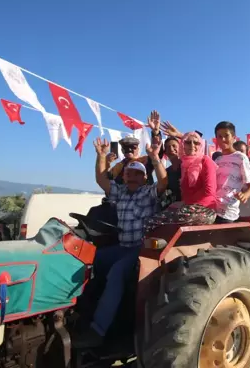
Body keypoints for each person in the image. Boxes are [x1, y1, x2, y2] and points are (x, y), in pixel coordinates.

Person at [75, 137, 167, 348]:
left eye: (137, 174)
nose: (132, 177)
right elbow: (101, 180)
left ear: (144, 178)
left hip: (139, 249)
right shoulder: (120, 192)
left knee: (117, 271)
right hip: (123, 247)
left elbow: (162, 183)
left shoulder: (148, 193)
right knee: (90, 258)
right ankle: (80, 309)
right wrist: (100, 156)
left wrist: (154, 157)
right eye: (129, 174)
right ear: (124, 177)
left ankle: (97, 331)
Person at [144, 131, 217, 232]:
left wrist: (184, 203)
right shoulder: (184, 164)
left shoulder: (205, 160)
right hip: (188, 208)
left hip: (205, 209)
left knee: (152, 223)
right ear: (183, 145)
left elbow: (209, 191)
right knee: (152, 221)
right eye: (188, 142)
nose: (192, 145)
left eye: (196, 143)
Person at [103, 111, 163, 186]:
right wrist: (105, 162)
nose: (130, 149)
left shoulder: (144, 160)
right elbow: (106, 180)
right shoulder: (119, 166)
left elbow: (158, 154)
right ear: (122, 150)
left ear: (138, 149)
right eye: (126, 147)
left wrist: (155, 132)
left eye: (133, 147)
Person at [214, 121, 250, 223]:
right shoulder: (217, 160)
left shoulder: (241, 157)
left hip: (228, 213)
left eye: (226, 135)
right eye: (219, 136)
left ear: (234, 138)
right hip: (212, 210)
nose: (223, 139)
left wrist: (244, 195)